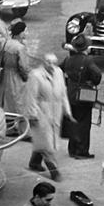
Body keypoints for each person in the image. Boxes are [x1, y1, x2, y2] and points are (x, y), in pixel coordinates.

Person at [26, 53, 70, 181]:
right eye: (48, 62)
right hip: (41, 112)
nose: (51, 65)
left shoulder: (59, 73)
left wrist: (67, 109)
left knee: (45, 140)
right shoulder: (35, 75)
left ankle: (34, 162)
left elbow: (63, 93)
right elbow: (31, 97)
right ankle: (54, 171)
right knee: (47, 143)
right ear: (43, 62)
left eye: (53, 62)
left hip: (55, 112)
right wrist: (32, 114)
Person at [61, 41, 101, 158]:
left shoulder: (68, 59)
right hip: (84, 93)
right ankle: (81, 150)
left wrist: (67, 81)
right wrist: (92, 82)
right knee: (84, 123)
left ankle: (72, 149)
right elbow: (97, 75)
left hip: (70, 92)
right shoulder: (87, 60)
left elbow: (59, 69)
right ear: (86, 48)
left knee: (73, 120)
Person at [0, 19, 32, 119]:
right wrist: (26, 77)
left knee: (5, 100)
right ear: (20, 33)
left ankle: (7, 122)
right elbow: (23, 67)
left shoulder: (4, 44)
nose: (26, 33)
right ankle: (17, 125)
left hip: (5, 75)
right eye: (25, 31)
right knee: (18, 101)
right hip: (16, 77)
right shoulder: (20, 48)